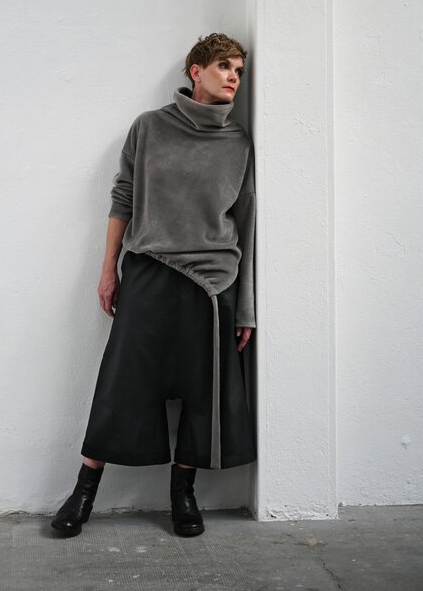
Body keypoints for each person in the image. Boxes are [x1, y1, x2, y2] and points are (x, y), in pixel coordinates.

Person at [51, 33, 257, 539]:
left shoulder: (238, 143)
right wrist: (109, 269)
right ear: (196, 70)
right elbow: (123, 196)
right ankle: (83, 491)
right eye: (224, 66)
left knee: (202, 394)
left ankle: (182, 495)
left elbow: (246, 223)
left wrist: (245, 307)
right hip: (148, 269)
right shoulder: (149, 127)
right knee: (123, 382)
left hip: (212, 283)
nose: (233, 77)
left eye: (239, 71)